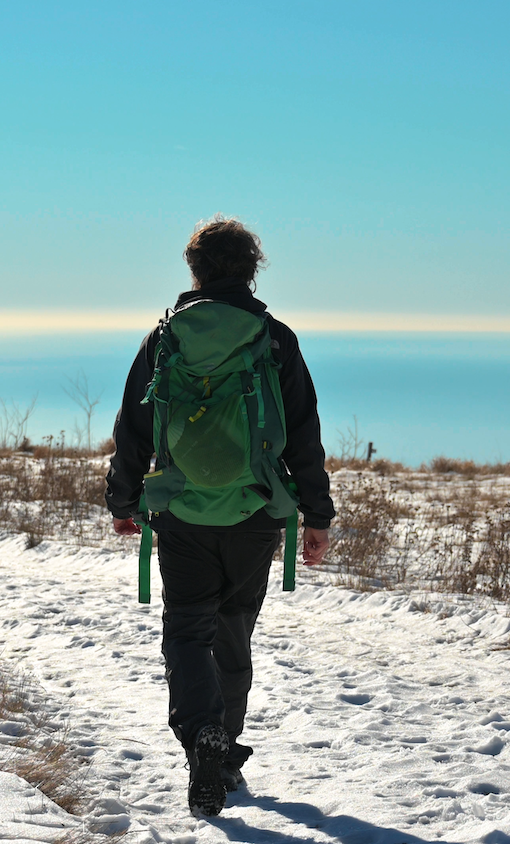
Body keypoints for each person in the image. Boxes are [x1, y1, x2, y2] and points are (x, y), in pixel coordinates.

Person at [105, 216, 335, 816]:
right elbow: (303, 432)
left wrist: (124, 501)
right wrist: (317, 514)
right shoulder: (275, 339)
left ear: (195, 270)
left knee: (187, 630)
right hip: (255, 510)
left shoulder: (165, 338)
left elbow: (134, 426)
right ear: (252, 270)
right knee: (232, 629)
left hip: (182, 510)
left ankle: (203, 735)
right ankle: (225, 747)